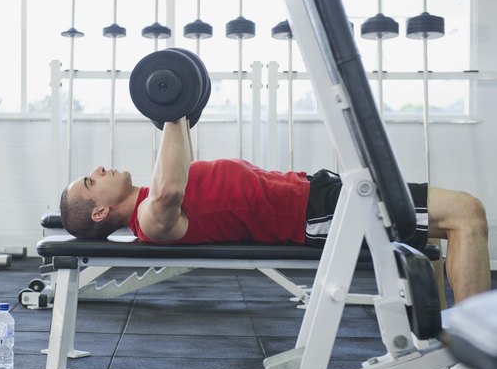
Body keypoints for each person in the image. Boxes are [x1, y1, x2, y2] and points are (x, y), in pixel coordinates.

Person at [59, 117, 491, 303]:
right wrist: (172, 113)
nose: (99, 169)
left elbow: (174, 168)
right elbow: (171, 188)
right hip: (315, 214)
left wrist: (181, 117)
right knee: (465, 213)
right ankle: (475, 358)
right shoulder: (150, 219)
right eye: (91, 181)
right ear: (99, 212)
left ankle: (446, 345)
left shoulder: (149, 197)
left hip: (317, 191)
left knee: (441, 229)